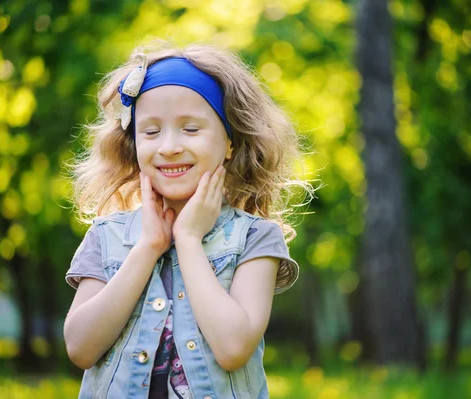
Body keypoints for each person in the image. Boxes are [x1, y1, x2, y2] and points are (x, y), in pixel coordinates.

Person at [63, 41, 312, 399]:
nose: (168, 146)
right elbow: (80, 348)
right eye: (151, 132)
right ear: (134, 144)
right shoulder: (107, 237)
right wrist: (148, 247)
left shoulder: (255, 239)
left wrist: (190, 241)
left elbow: (232, 348)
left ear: (229, 142)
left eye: (190, 129)